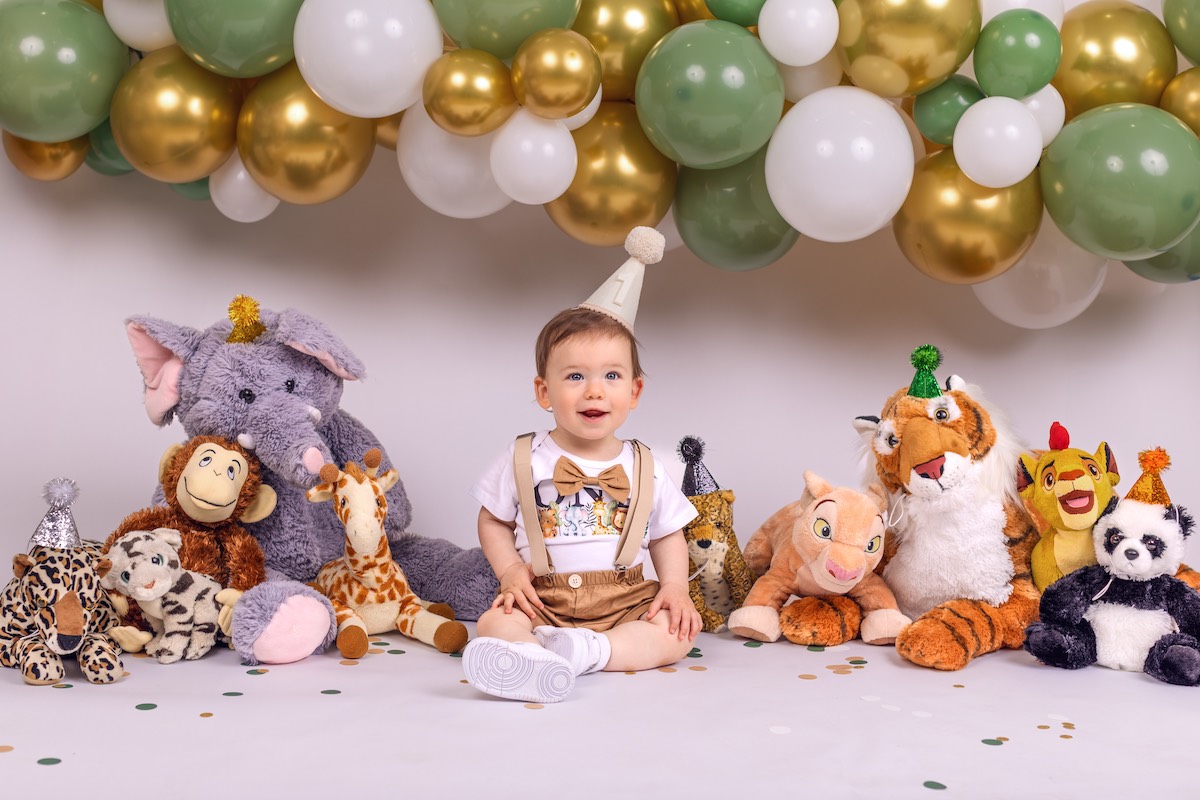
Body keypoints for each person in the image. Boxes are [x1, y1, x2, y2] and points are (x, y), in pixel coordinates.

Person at [461, 227, 701, 703]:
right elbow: (493, 519)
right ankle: (531, 651)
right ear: (544, 392)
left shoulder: (645, 464)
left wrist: (674, 587)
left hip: (625, 598)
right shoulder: (525, 457)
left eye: (612, 376)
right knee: (492, 622)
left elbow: (667, 533)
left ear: (633, 393)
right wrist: (510, 571)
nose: (594, 391)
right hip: (542, 596)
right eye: (575, 376)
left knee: (676, 635)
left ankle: (587, 651)